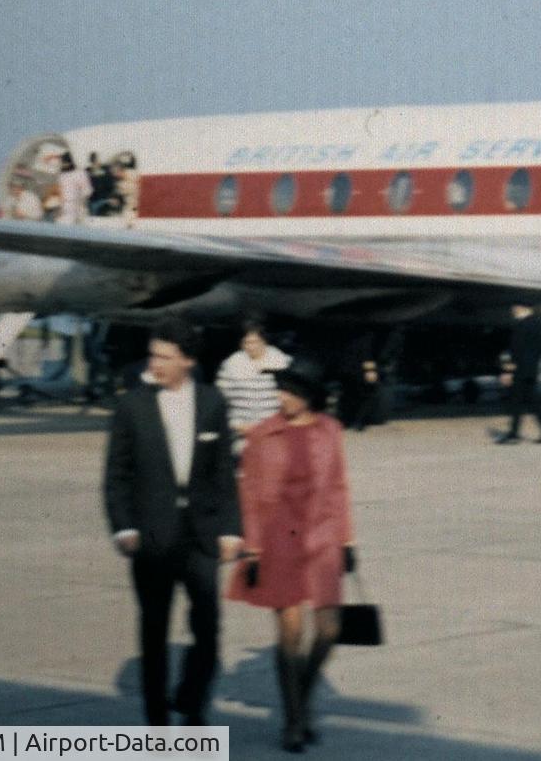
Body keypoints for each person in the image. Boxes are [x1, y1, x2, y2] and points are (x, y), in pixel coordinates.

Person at [103, 317, 242, 726]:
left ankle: (193, 704)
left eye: (165, 356)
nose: (155, 363)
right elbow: (116, 476)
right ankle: (158, 724)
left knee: (209, 629)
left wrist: (232, 529)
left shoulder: (213, 402)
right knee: (154, 632)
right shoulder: (132, 406)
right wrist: (124, 528)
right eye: (153, 355)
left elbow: (223, 474)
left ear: (187, 360)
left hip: (201, 536)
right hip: (151, 536)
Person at [229, 360, 357, 752]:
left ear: (310, 396)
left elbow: (337, 486)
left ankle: (300, 700)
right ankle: (294, 721)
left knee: (330, 630)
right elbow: (248, 495)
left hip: (320, 538)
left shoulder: (329, 431)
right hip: (277, 539)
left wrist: (347, 540)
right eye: (280, 390)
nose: (282, 397)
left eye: (291, 391)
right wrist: (251, 549)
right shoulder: (263, 434)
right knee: (290, 632)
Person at [215, 318, 291, 451]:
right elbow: (219, 402)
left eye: (254, 342)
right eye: (246, 342)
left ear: (264, 340)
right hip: (241, 437)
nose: (250, 346)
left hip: (275, 437)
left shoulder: (282, 363)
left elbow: (291, 401)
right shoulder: (230, 365)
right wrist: (237, 425)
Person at [494, 304, 541, 444]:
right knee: (532, 402)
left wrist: (508, 371)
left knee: (516, 402)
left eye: (516, 308)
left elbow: (516, 350)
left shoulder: (521, 325)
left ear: (524, 309)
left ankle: (514, 433)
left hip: (520, 370)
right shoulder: (538, 324)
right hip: (531, 370)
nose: (513, 311)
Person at [56, 152, 92, 225]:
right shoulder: (61, 175)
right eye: (62, 163)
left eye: (64, 163)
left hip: (79, 205)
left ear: (69, 162)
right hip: (65, 207)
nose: (63, 165)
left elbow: (88, 191)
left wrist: (80, 202)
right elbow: (61, 192)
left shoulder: (80, 173)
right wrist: (60, 207)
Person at [87, 152, 118, 217]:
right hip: (94, 202)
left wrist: (110, 198)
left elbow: (111, 187)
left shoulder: (106, 171)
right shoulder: (88, 172)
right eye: (94, 162)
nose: (97, 163)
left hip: (105, 200)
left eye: (97, 161)